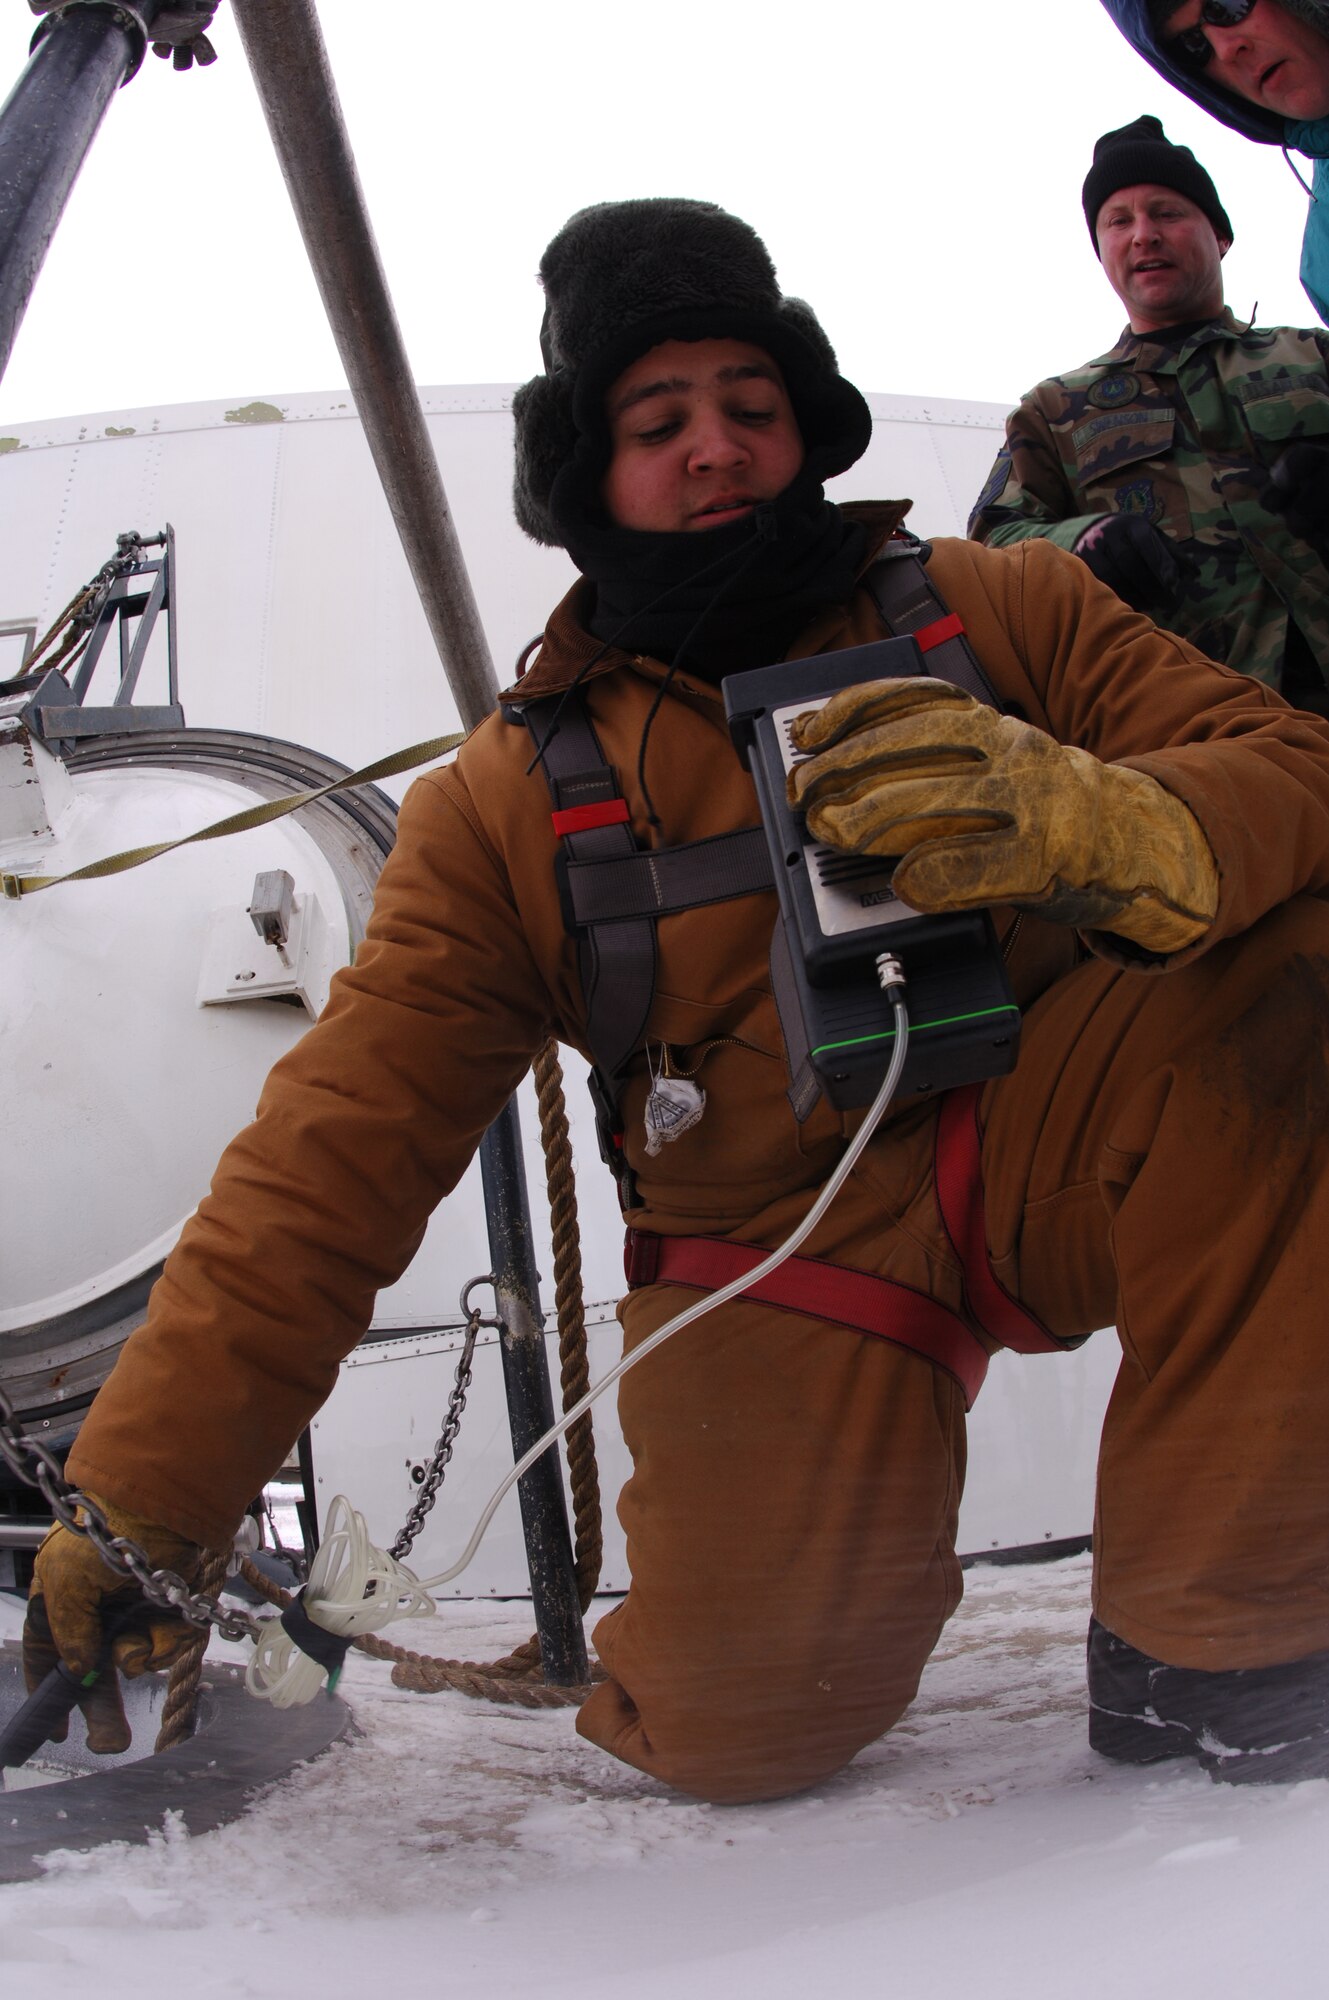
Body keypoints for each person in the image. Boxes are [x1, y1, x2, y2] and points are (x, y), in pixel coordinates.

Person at [25, 198, 1329, 1804]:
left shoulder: (1001, 612)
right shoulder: (508, 800)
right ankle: (748, 1654)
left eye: (752, 407)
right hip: (782, 1249)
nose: (716, 450)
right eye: (659, 422)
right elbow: (330, 1161)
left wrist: (1119, 823)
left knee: (1290, 996)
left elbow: (1290, 769)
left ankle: (1225, 1637)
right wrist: (145, 1496)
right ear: (588, 473)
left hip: (1056, 1127)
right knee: (739, 1731)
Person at [969, 114, 1329, 709]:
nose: (1144, 234)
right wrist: (1081, 538)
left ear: (1220, 236)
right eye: (1119, 221)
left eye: (1167, 212)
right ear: (1102, 252)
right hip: (1202, 723)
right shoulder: (1054, 410)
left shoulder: (1315, 355)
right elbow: (988, 547)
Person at [1101, 1, 1329, 321]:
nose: (1224, 49)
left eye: (1228, 6)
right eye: (1193, 45)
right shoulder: (1323, 261)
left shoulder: (1304, 356)